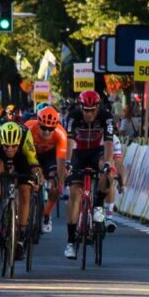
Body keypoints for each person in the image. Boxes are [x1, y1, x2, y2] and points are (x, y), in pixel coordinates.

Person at [63, 90, 115, 259]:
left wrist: (107, 163)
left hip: (96, 152)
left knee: (108, 171)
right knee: (74, 196)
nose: (89, 113)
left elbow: (108, 142)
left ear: (98, 107)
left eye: (92, 110)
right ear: (81, 107)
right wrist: (68, 162)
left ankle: (98, 205)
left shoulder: (106, 117)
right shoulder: (73, 116)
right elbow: (69, 140)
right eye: (86, 109)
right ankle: (71, 242)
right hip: (78, 153)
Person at [0, 122, 42, 260]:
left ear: (18, 142)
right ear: (2, 142)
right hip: (0, 159)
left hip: (22, 159)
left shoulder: (26, 136)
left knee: (25, 192)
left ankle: (20, 235)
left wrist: (38, 178)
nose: (9, 149)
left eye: (13, 146)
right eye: (6, 146)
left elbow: (34, 164)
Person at [24, 106, 67, 233]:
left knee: (57, 183)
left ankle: (46, 215)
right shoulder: (28, 127)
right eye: (43, 128)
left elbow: (61, 161)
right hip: (31, 154)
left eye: (50, 129)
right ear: (38, 122)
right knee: (22, 181)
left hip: (49, 156)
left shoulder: (61, 134)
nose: (47, 132)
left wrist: (59, 184)